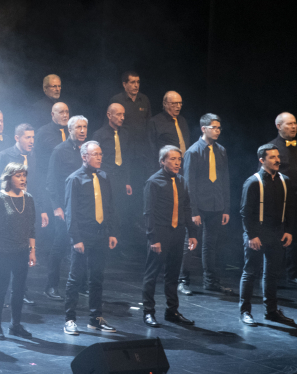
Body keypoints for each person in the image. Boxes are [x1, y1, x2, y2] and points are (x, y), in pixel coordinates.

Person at [62, 142, 119, 335]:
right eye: (95, 154)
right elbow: (71, 213)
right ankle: (69, 319)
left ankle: (96, 318)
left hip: (101, 235)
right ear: (84, 156)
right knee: (75, 278)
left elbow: (110, 206)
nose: (99, 157)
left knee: (97, 278)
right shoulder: (74, 179)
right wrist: (76, 238)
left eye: (100, 154)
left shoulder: (104, 177)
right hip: (83, 236)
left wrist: (111, 232)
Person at [238, 145, 295, 326]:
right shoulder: (253, 182)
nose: (277, 160)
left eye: (278, 156)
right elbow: (245, 212)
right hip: (258, 234)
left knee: (272, 274)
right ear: (262, 160)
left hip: (277, 233)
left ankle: (271, 311)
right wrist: (252, 235)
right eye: (272, 157)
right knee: (250, 272)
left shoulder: (285, 180)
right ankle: (245, 311)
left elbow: (290, 209)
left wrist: (288, 230)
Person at [141, 146, 198, 327]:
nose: (177, 163)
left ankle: (172, 311)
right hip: (160, 232)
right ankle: (148, 312)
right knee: (152, 274)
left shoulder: (181, 181)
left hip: (178, 232)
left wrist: (192, 233)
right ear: (162, 161)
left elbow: (186, 208)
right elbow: (148, 213)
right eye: (172, 159)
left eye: (179, 159)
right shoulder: (153, 182)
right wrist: (153, 238)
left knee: (173, 274)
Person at [179, 114, 232, 295]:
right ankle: (183, 280)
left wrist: (226, 207)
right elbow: (189, 184)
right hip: (199, 206)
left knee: (211, 244)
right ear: (204, 128)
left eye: (219, 128)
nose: (217, 131)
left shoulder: (221, 150)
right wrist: (193, 210)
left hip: (216, 204)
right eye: (214, 127)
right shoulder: (193, 152)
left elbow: (225, 180)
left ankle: (210, 280)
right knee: (190, 243)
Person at [0, 162, 37, 339]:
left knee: (19, 289)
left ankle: (15, 324)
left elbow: (31, 227)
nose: (23, 179)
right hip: (3, 250)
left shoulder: (28, 198)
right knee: (1, 287)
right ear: (9, 178)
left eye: (24, 175)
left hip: (22, 250)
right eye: (18, 175)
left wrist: (32, 250)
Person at [43, 116, 88, 300]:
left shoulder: (88, 150)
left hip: (84, 207)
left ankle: (81, 284)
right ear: (70, 130)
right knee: (60, 245)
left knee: (83, 245)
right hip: (65, 206)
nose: (83, 130)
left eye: (85, 127)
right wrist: (56, 207)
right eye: (78, 127)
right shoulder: (60, 150)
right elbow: (51, 181)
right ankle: (51, 285)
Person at [93, 104, 135, 253]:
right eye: (118, 114)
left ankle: (117, 242)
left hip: (120, 178)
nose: (122, 117)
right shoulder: (99, 134)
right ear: (109, 115)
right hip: (106, 177)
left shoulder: (125, 133)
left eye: (123, 114)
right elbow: (95, 159)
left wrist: (127, 181)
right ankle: (105, 241)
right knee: (107, 209)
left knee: (120, 210)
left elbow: (127, 158)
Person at [266, 112, 297, 286]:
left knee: (295, 236)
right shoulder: (272, 147)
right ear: (279, 127)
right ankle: (274, 274)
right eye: (289, 124)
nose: (293, 127)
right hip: (280, 199)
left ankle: (292, 273)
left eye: (295, 123)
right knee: (279, 235)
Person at [34, 102, 69, 197]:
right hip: (49, 182)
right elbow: (35, 157)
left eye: (67, 112)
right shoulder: (43, 132)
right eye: (61, 112)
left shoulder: (72, 132)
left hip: (68, 181)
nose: (65, 115)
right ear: (53, 114)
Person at [147, 91, 190, 160]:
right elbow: (151, 148)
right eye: (174, 103)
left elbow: (187, 142)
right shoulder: (155, 122)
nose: (178, 106)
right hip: (166, 165)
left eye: (180, 103)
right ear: (165, 104)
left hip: (183, 163)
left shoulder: (182, 120)